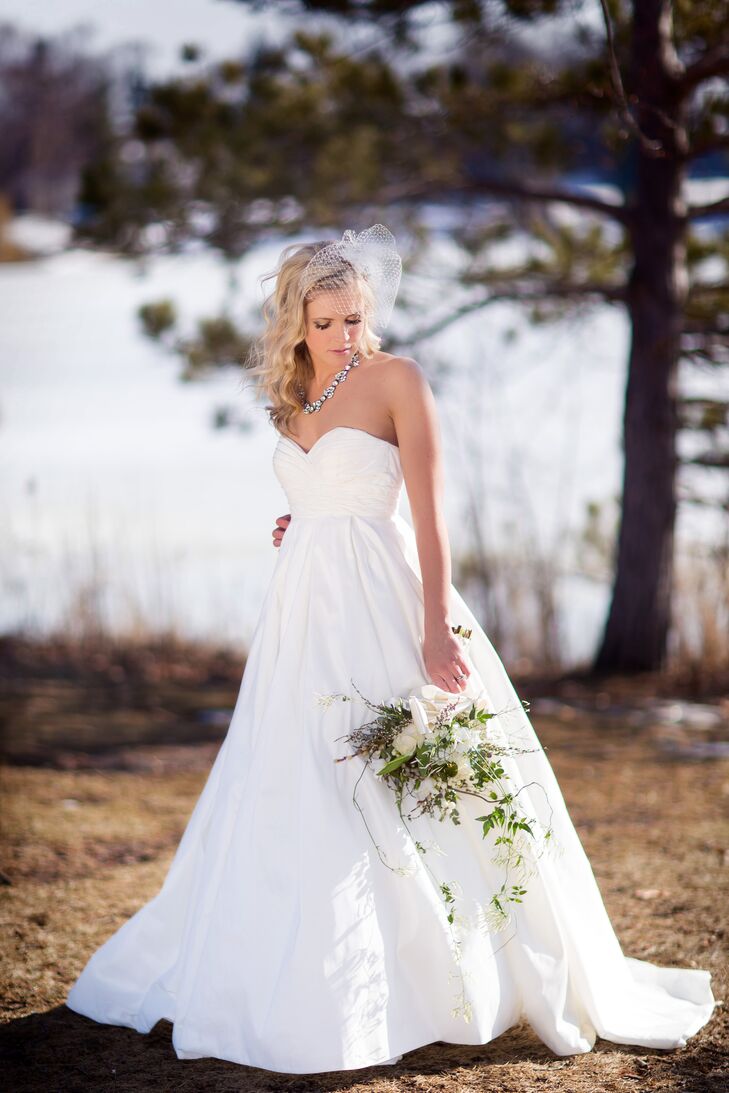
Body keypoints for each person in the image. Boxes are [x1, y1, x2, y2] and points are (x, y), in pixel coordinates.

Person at [66, 224, 716, 1074]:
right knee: (301, 778)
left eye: (355, 318)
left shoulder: (396, 379)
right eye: (328, 320)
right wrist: (302, 517)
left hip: (388, 599)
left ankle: (447, 974)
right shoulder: (289, 390)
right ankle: (302, 968)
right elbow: (327, 488)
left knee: (407, 778)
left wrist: (434, 624)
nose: (345, 335)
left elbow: (427, 513)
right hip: (302, 610)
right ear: (296, 318)